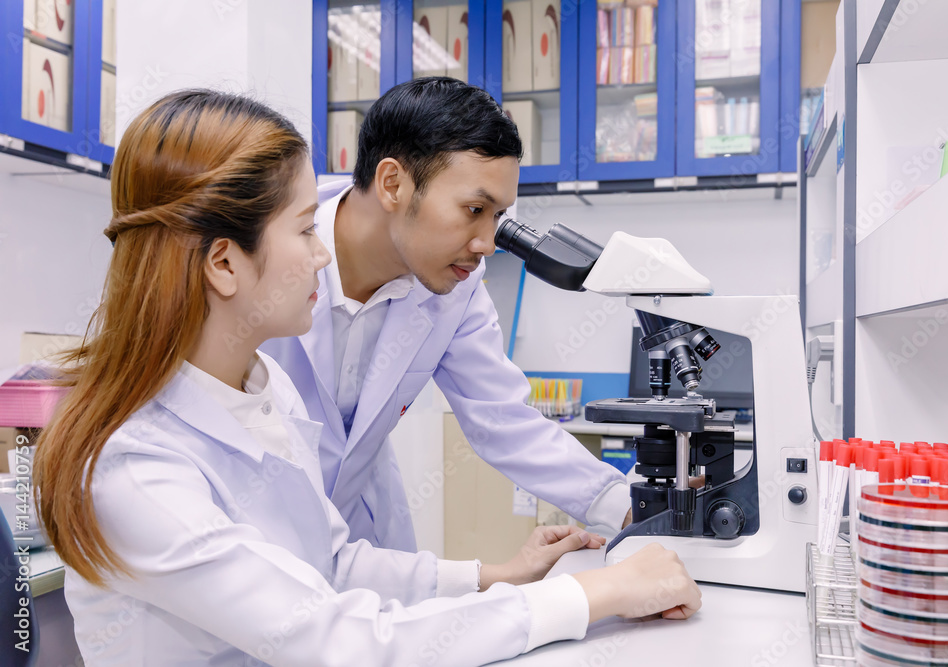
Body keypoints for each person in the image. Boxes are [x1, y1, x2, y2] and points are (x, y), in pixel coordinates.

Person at [33, 90, 701, 666]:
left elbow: (336, 563)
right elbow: (332, 636)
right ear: (225, 265)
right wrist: (586, 595)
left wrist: (503, 575)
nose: (320, 254)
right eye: (302, 230)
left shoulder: (264, 385)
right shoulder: (135, 467)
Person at [262, 77, 634, 552]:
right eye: (474, 209)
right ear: (392, 184)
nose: (487, 245)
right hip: (254, 534)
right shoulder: (270, 252)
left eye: (496, 218)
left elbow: (502, 419)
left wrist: (628, 507)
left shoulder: (454, 287)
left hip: (363, 540)